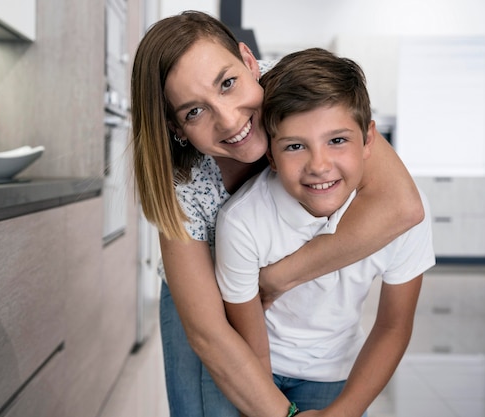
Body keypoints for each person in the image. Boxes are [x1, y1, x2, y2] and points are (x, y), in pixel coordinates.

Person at [131, 11, 425, 417]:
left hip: (280, 306)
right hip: (206, 293)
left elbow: (403, 207)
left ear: (250, 62)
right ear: (176, 127)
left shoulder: (295, 91)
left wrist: (277, 278)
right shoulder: (181, 180)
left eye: (229, 83)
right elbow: (208, 333)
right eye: (194, 112)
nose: (230, 119)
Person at [214, 48, 435, 416]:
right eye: (295, 146)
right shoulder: (242, 221)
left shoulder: (409, 214)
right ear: (271, 155)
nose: (319, 166)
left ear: (368, 141)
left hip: (334, 371)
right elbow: (252, 348)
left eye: (337, 141)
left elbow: (393, 326)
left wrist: (343, 412)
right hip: (255, 366)